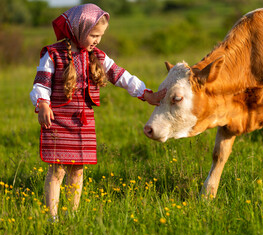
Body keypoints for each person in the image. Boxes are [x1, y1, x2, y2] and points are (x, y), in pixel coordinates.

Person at [29, 4, 166, 221]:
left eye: (100, 35)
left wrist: (147, 94)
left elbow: (121, 76)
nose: (97, 40)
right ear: (79, 29)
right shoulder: (53, 54)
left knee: (78, 170)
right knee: (57, 171)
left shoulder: (98, 57)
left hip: (83, 122)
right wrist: (43, 103)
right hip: (58, 120)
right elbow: (42, 82)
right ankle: (51, 217)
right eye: (93, 34)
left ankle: (72, 215)